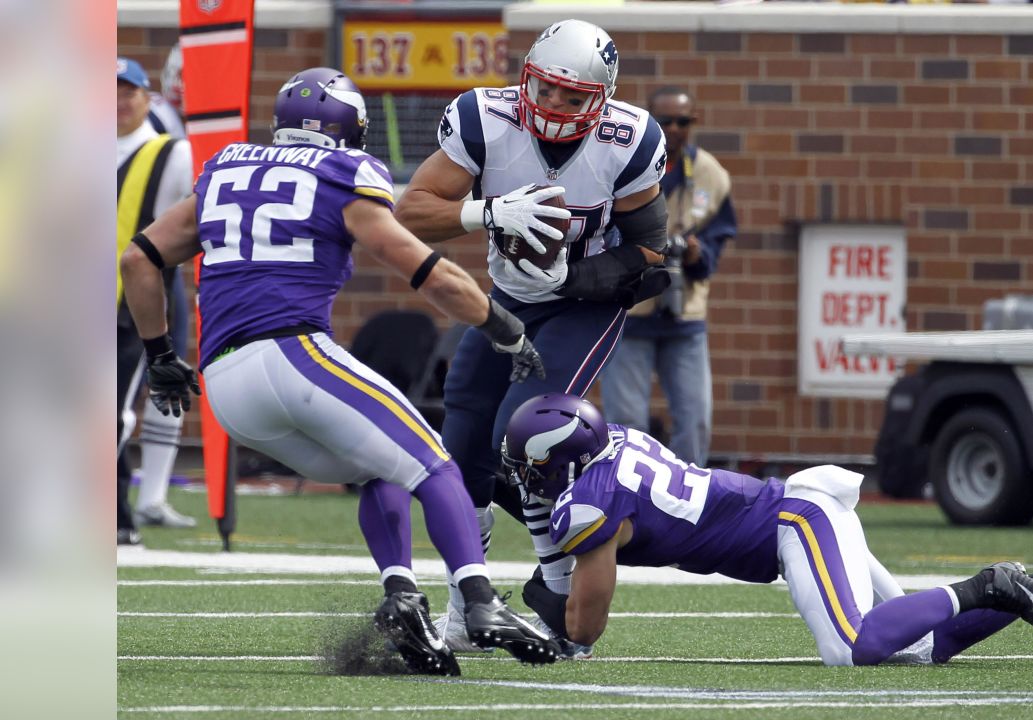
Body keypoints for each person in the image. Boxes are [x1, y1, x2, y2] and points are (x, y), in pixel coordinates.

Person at [118, 67, 558, 674]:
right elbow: (422, 267)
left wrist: (160, 355)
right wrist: (502, 328)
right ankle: (479, 602)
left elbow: (139, 260)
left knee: (381, 464)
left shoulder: (226, 167)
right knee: (435, 462)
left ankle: (401, 595)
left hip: (226, 385)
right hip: (295, 355)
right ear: (351, 127)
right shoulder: (344, 172)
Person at [504, 393, 1033, 665]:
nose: (525, 479)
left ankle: (988, 583)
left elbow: (585, 629)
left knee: (854, 647)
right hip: (801, 511)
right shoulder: (617, 441)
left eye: (528, 467)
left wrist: (552, 607)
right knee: (917, 646)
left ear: (555, 461)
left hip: (796, 521)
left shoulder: (589, 503)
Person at [393, 19, 670, 654]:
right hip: (506, 303)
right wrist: (485, 211)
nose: (554, 108)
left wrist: (572, 275)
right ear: (526, 79)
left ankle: (555, 591)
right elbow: (411, 210)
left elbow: (655, 255)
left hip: (583, 307)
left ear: (600, 98)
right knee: (460, 452)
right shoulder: (484, 120)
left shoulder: (627, 142)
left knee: (525, 435)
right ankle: (469, 603)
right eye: (545, 91)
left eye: (574, 99)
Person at [600, 86, 735, 467]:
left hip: (684, 316)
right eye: (665, 121)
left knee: (695, 422)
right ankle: (627, 496)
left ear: (695, 122)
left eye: (683, 121)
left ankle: (690, 508)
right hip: (630, 311)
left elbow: (718, 239)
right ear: (650, 121)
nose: (674, 129)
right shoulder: (624, 164)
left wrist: (696, 252)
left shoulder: (710, 174)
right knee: (626, 423)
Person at [116, 56, 196, 543]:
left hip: (138, 295)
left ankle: (150, 498)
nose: (119, 100)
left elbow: (179, 227)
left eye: (129, 91)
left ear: (148, 96)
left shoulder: (171, 148)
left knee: (152, 392)